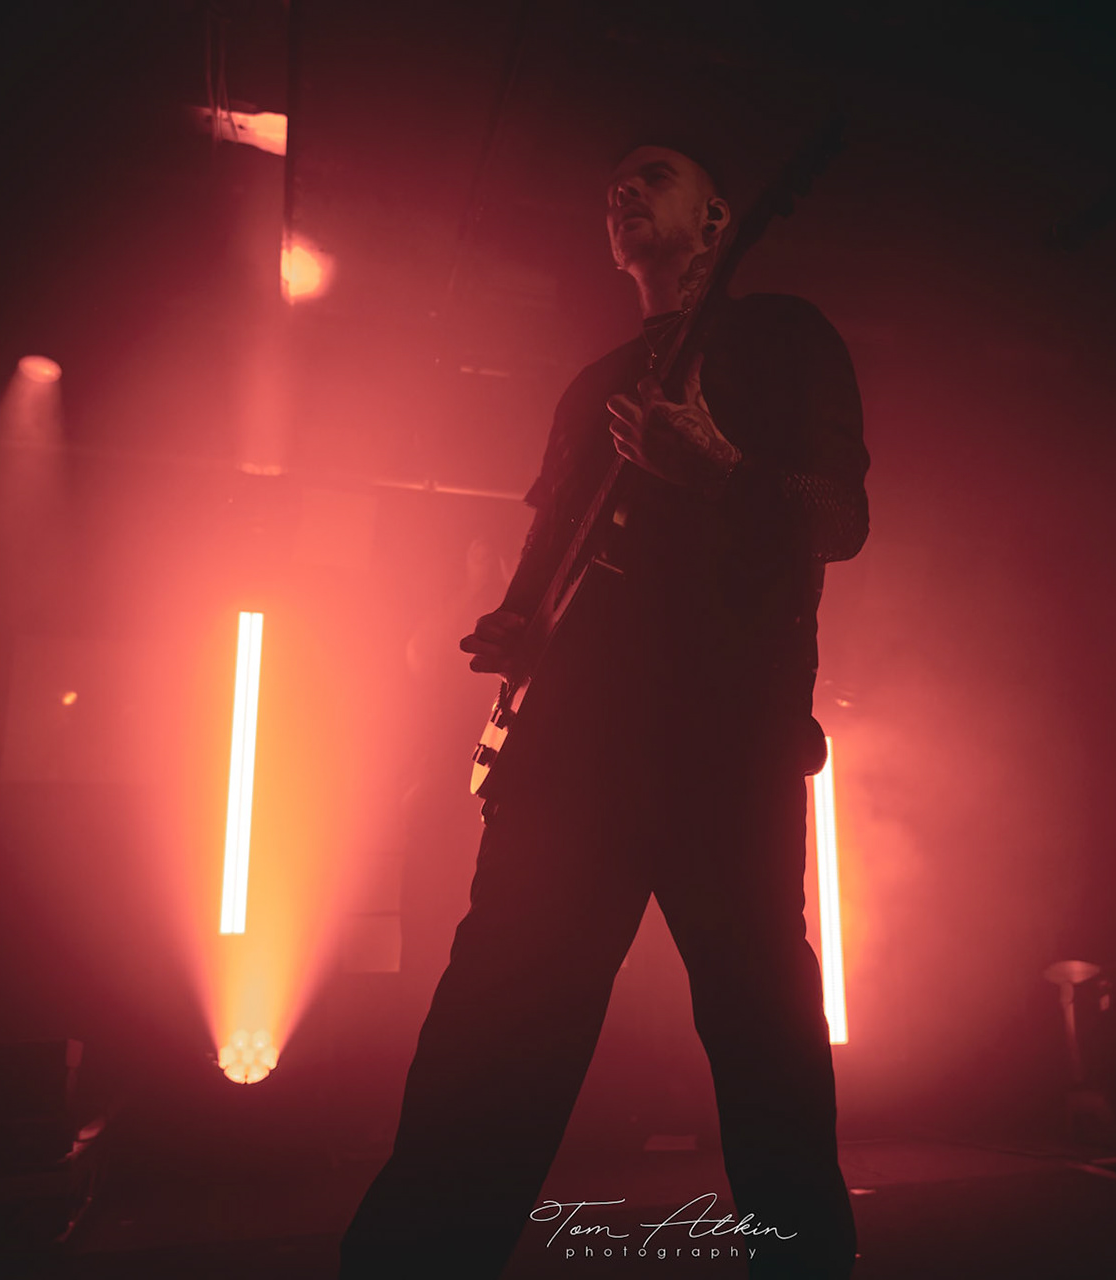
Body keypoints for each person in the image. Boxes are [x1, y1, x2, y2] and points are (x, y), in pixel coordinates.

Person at [338, 141, 869, 1279]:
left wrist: (720, 468)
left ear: (719, 217)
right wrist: (516, 624)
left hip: (724, 742)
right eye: (613, 182)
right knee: (492, 1033)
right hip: (570, 751)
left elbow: (840, 518)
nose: (622, 187)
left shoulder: (786, 336)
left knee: (763, 1041)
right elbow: (549, 551)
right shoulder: (592, 386)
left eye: (655, 171)